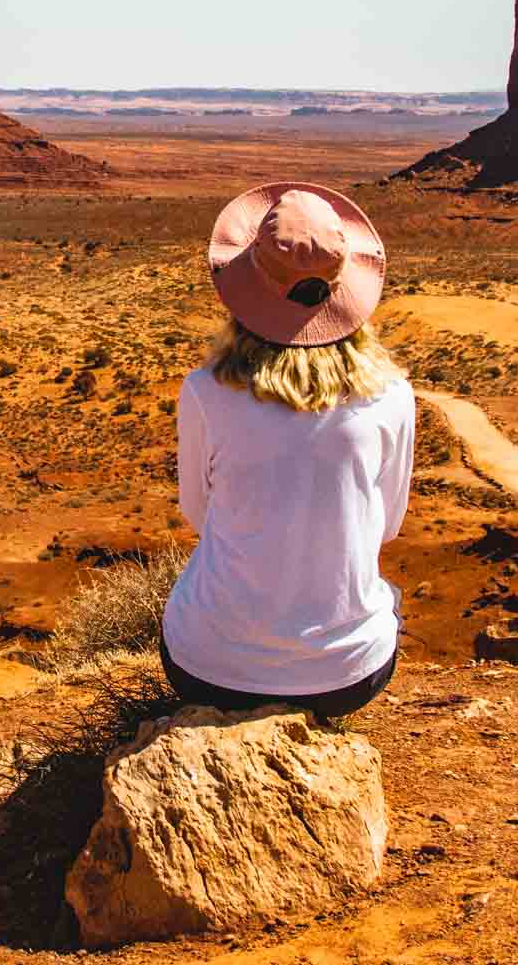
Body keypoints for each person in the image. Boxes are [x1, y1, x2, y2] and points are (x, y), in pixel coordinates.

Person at [160, 181, 414, 721]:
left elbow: (197, 514)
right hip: (346, 677)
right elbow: (387, 526)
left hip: (208, 669)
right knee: (388, 600)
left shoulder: (205, 391)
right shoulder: (392, 394)